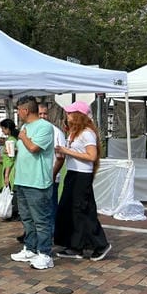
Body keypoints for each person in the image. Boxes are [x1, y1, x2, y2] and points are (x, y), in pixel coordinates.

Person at [54, 101, 112, 261]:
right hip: (73, 174)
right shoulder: (74, 133)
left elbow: (92, 156)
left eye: (70, 113)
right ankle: (76, 245)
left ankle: (100, 244)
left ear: (78, 115)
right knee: (71, 209)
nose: (67, 115)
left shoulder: (87, 133)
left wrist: (67, 150)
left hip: (82, 176)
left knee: (82, 211)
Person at [10, 96, 56, 270]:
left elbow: (34, 148)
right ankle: (30, 248)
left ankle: (45, 254)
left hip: (38, 182)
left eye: (18, 110)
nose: (18, 113)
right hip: (22, 180)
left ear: (25, 110)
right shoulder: (25, 127)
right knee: (27, 218)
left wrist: (22, 137)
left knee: (41, 220)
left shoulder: (44, 127)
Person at [39, 103, 66, 234]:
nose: (43, 116)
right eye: (40, 114)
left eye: (45, 113)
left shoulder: (56, 132)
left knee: (50, 207)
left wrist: (53, 174)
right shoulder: (30, 130)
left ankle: (53, 233)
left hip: (50, 177)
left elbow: (61, 157)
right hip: (35, 177)